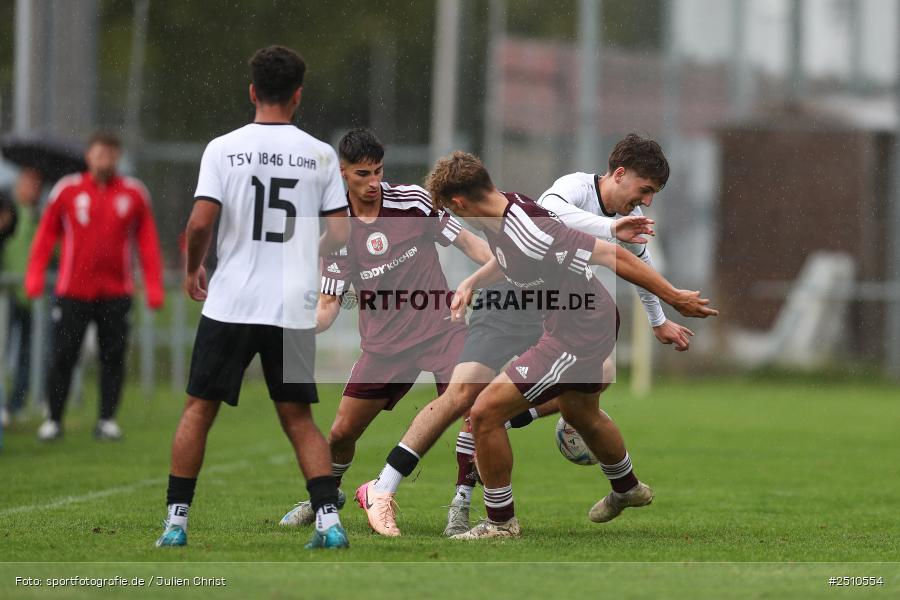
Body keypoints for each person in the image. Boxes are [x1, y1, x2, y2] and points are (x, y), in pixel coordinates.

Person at [356, 151, 717, 538]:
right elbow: (510, 257)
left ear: (459, 202)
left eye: (450, 209)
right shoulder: (504, 214)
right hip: (573, 321)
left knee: (485, 413)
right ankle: (627, 488)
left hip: (577, 331)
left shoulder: (528, 227)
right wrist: (473, 282)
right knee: (582, 414)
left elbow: (613, 257)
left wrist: (673, 298)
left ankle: (500, 523)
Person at [155, 46, 351, 550]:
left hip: (233, 301)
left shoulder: (223, 148)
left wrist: (195, 265)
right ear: (298, 94)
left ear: (252, 91)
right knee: (298, 417)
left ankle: (176, 524)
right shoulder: (320, 155)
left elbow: (201, 220)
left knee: (199, 409)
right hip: (291, 305)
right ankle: (329, 524)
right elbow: (340, 234)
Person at [278, 128, 492, 528]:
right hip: (384, 347)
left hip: (442, 329)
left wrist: (497, 270)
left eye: (378, 171)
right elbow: (327, 306)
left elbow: (468, 242)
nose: (374, 182)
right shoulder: (338, 229)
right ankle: (328, 497)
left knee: (472, 411)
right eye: (363, 174)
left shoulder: (412, 201)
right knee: (341, 433)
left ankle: (460, 506)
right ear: (343, 173)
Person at [25, 133, 164, 442]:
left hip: (117, 292)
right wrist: (34, 275)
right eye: (100, 152)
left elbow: (148, 242)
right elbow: (46, 234)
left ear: (119, 157)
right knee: (63, 354)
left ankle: (106, 419)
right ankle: (53, 419)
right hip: (73, 290)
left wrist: (153, 286)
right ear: (88, 156)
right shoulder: (68, 190)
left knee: (113, 355)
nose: (106, 159)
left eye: (112, 153)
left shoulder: (134, 193)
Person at [1, 168, 43, 426]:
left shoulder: (39, 215)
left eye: (36, 185)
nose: (32, 190)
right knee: (3, 349)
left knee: (30, 352)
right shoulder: (7, 211)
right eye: (28, 184)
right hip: (7, 293)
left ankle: (16, 403)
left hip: (30, 294)